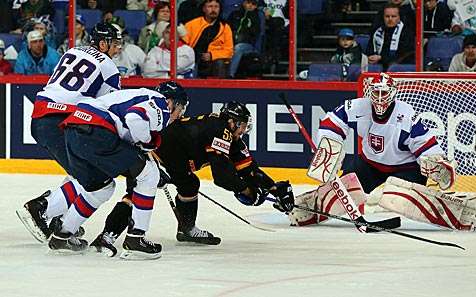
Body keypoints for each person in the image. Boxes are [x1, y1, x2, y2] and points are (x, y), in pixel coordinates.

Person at [89, 101, 295, 256]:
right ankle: (107, 236)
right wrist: (246, 191)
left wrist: (274, 189)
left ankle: (186, 229)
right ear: (231, 121)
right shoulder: (220, 129)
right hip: (154, 155)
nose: (243, 130)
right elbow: (222, 177)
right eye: (241, 125)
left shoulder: (227, 136)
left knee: (189, 184)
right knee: (138, 193)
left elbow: (249, 169)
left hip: (174, 162)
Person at [289, 73, 457, 226]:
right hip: (369, 164)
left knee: (397, 198)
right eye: (376, 93)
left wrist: (434, 161)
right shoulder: (357, 107)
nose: (379, 98)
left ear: (392, 93)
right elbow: (331, 121)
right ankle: (308, 210)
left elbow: (423, 143)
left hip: (406, 168)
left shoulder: (406, 115)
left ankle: (455, 214)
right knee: (345, 191)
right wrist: (329, 147)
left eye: (384, 93)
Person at [49, 82, 188, 259]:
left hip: (73, 131)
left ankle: (62, 236)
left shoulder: (136, 96)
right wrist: (145, 143)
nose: (178, 115)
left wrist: (142, 148)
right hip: (96, 131)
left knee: (100, 189)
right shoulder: (160, 102)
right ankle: (136, 239)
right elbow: (135, 118)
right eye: (180, 108)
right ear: (171, 101)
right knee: (150, 175)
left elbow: (126, 125)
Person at [16, 22, 122, 244]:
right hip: (61, 122)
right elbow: (109, 107)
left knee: (80, 171)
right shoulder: (109, 67)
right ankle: (43, 210)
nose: (117, 48)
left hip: (42, 117)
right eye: (114, 44)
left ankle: (59, 218)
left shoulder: (72, 51)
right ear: (102, 43)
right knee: (94, 178)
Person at [183, 0, 234, 78]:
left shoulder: (225, 27)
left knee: (220, 63)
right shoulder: (191, 24)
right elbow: (183, 45)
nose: (213, 9)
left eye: (216, 7)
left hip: (214, 61)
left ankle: (220, 88)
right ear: (204, 9)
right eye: (210, 6)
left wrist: (212, 55)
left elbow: (229, 51)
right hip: (194, 58)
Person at [366, 3, 415, 70]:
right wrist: (371, 57)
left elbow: (404, 55)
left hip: (398, 65)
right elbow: (369, 50)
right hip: (378, 64)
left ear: (399, 17)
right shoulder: (377, 32)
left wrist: (381, 58)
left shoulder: (406, 33)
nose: (390, 19)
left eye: (393, 16)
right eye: (387, 16)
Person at [227, 0, 261, 78]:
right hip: (231, 42)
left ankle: (230, 75)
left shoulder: (257, 17)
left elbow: (256, 34)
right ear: (243, 3)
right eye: (248, 2)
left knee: (238, 48)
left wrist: (250, 21)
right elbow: (226, 29)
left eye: (253, 4)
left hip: (248, 45)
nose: (250, 5)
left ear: (256, 6)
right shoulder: (234, 14)